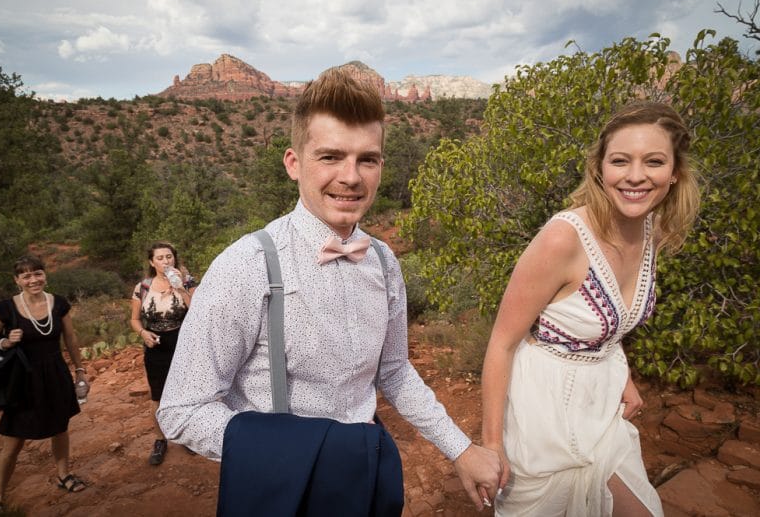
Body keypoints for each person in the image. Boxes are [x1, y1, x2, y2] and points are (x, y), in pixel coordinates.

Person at [157, 67, 502, 514]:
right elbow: (181, 410)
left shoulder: (383, 260)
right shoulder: (246, 265)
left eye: (368, 159)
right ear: (293, 163)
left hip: (365, 474)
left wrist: (460, 448)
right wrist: (303, 456)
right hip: (282, 487)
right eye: (330, 157)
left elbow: (393, 371)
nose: (351, 177)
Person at [481, 101, 700, 516]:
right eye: (621, 161)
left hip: (601, 405)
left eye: (653, 162)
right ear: (600, 169)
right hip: (541, 413)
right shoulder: (563, 239)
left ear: (674, 173)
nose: (636, 176)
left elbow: (605, 321)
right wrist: (492, 445)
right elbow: (502, 344)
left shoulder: (652, 229)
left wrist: (623, 373)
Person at [0, 255, 88, 515]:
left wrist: (81, 371)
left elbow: (71, 339)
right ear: (17, 280)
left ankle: (63, 475)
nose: (33, 280)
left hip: (55, 374)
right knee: (14, 439)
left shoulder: (58, 303)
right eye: (26, 276)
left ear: (45, 275)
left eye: (37, 273)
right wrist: (5, 342)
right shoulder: (6, 308)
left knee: (60, 427)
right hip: (23, 379)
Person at [129, 241, 196, 466]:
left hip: (183, 341)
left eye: (169, 257)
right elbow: (134, 319)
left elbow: (199, 310)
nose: (166, 261)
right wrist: (143, 333)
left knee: (185, 391)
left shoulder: (187, 281)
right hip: (155, 343)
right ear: (151, 262)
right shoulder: (143, 287)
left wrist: (180, 288)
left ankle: (185, 434)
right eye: (160, 258)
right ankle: (160, 439)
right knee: (157, 394)